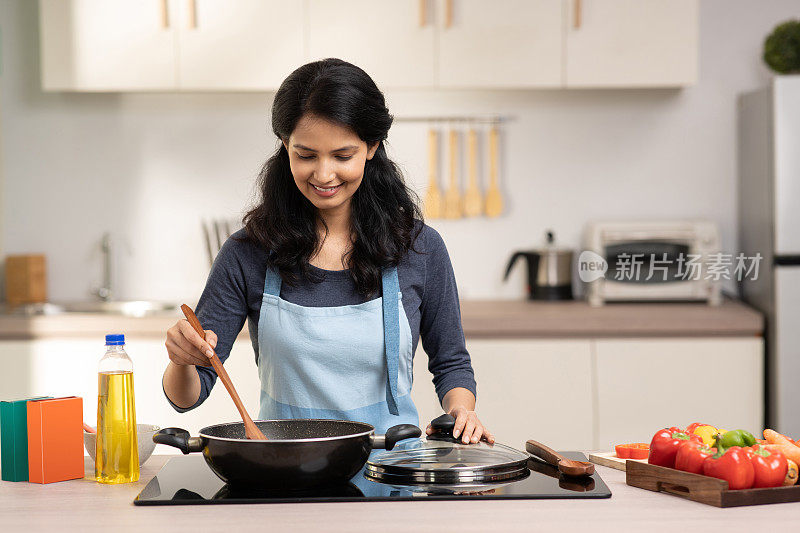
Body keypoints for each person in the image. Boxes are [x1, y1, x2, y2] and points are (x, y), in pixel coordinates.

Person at [162, 58, 493, 444]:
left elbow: (451, 361)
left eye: (342, 155)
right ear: (285, 146)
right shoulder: (248, 252)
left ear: (372, 147)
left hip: (389, 475)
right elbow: (187, 396)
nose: (322, 174)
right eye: (305, 155)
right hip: (284, 473)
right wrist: (181, 360)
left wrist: (461, 410)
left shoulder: (419, 247)